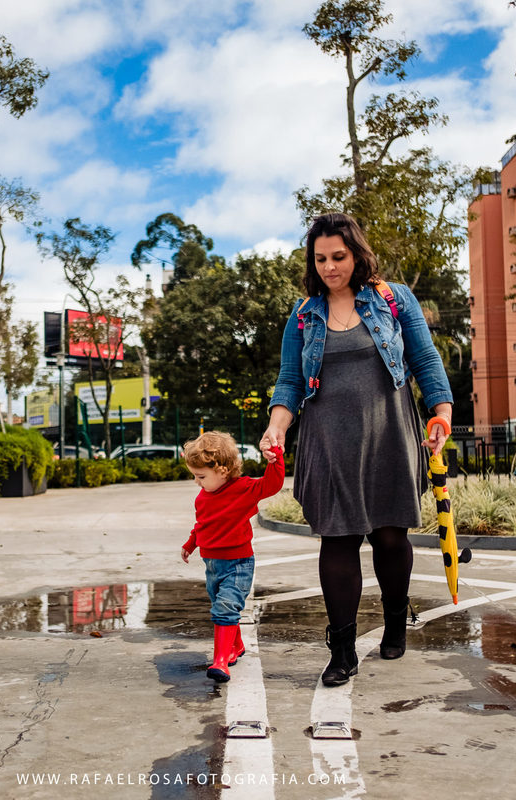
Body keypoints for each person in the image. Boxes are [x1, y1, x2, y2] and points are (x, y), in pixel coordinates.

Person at [260, 212, 453, 687]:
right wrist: (276, 427)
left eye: (338, 257)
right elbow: (289, 380)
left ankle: (394, 618)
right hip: (328, 440)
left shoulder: (393, 298)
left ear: (356, 254)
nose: (329, 267)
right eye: (320, 259)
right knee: (338, 538)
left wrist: (442, 414)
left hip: (389, 432)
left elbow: (425, 359)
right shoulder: (304, 315)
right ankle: (342, 651)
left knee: (390, 536)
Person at [181, 432, 285, 683]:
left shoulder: (243, 489)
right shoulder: (202, 498)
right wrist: (191, 543)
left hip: (238, 563)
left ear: (223, 470)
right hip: (212, 565)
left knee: (225, 607)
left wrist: (275, 460)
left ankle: (220, 662)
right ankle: (236, 646)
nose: (197, 482)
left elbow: (271, 485)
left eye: (201, 476)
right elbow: (202, 524)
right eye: (195, 476)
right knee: (222, 605)